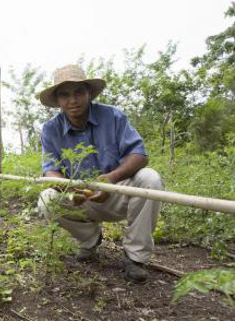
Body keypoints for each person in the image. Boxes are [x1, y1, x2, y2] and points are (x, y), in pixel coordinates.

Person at [36, 65, 164, 283]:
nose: (72, 100)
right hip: (81, 197)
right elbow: (51, 171)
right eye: (65, 94)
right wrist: (71, 188)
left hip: (117, 191)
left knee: (150, 178)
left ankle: (135, 257)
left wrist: (110, 179)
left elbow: (139, 155)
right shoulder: (51, 129)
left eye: (78, 92)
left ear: (89, 94)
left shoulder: (113, 116)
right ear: (58, 101)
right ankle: (90, 240)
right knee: (46, 199)